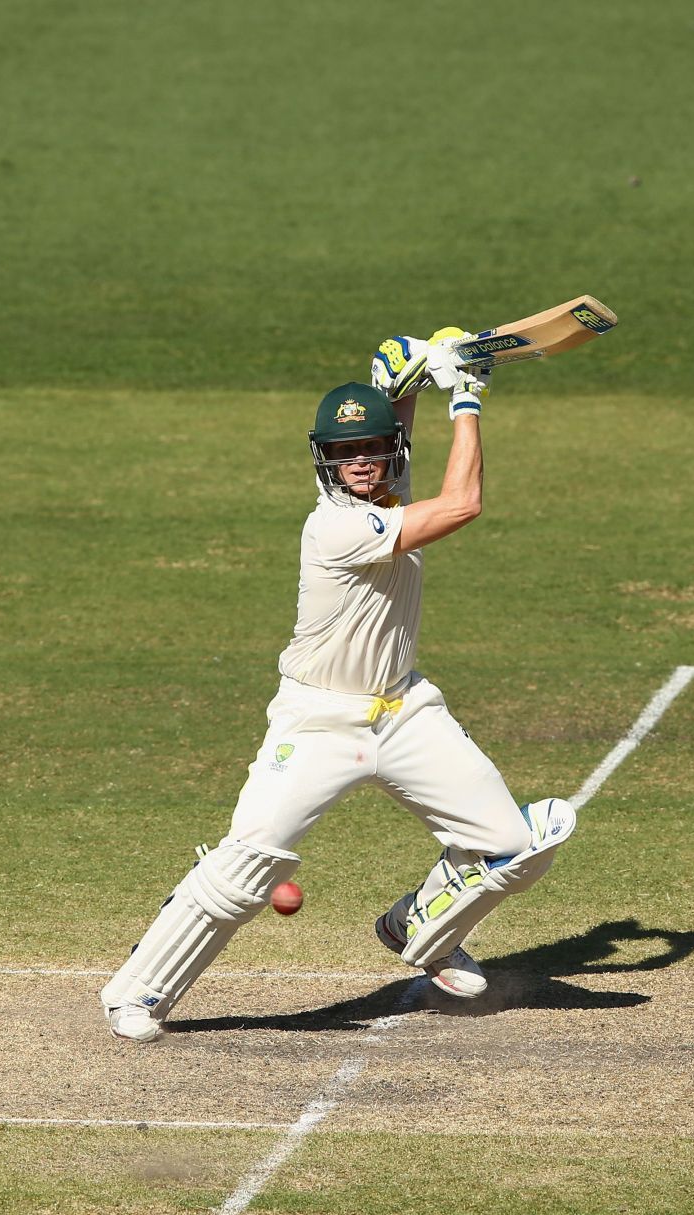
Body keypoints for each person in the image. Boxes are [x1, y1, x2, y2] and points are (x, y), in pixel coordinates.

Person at [99, 337, 577, 1043]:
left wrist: (408, 377)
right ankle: (137, 992)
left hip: (406, 712)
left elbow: (394, 440)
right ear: (324, 459)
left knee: (517, 841)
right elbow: (464, 502)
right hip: (319, 720)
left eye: (374, 448)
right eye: (345, 451)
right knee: (249, 866)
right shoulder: (335, 527)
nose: (361, 461)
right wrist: (467, 398)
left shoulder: (385, 487)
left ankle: (419, 926)